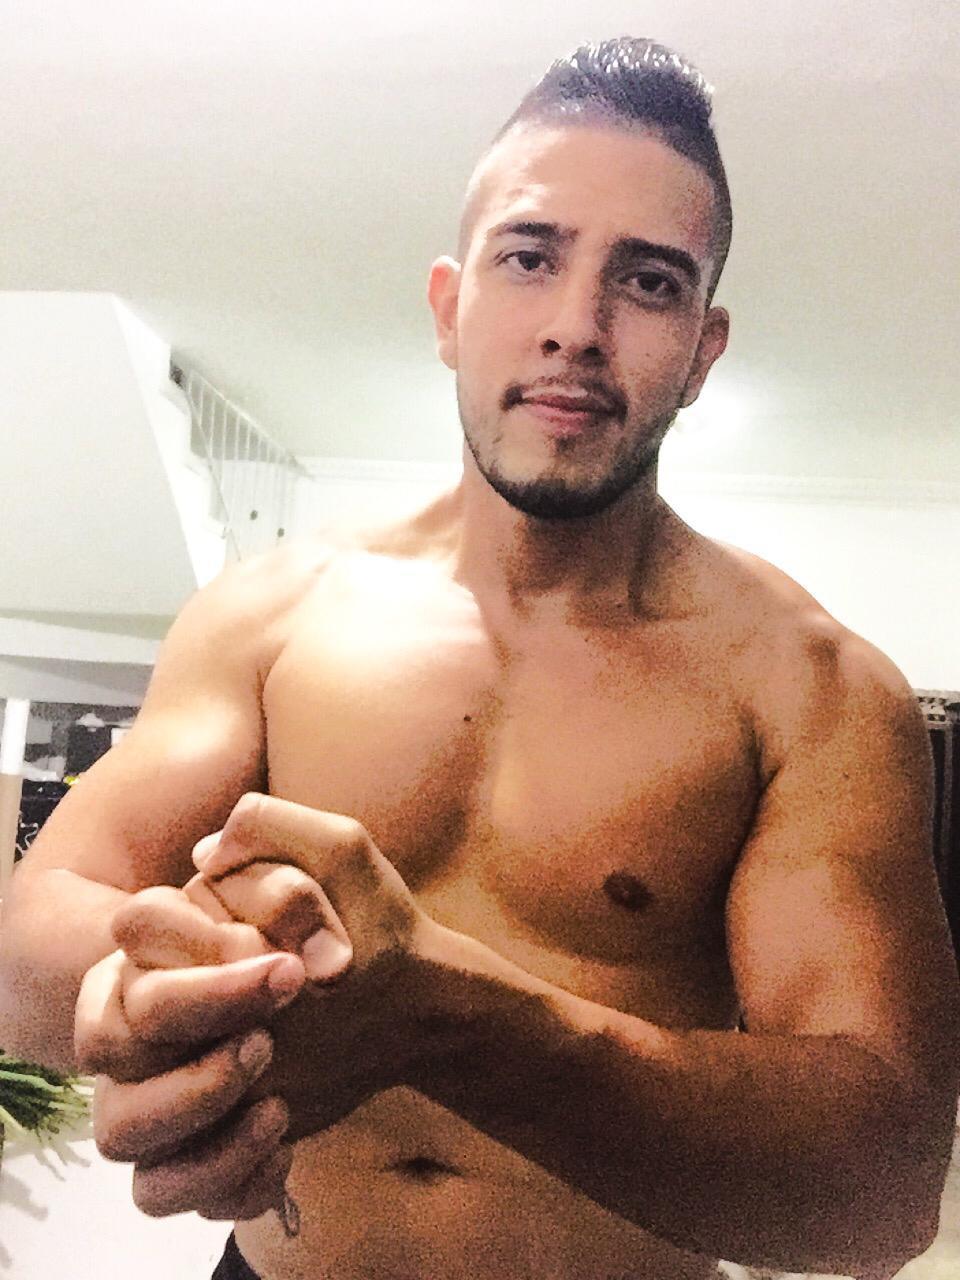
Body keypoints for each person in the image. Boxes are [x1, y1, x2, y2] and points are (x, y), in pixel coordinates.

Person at [1, 36, 958, 1280]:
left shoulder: (809, 687)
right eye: (530, 256)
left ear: (703, 351)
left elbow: (879, 1188)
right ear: (451, 308)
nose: (576, 328)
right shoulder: (271, 617)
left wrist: (444, 1019)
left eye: (648, 281)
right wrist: (191, 991)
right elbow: (29, 947)